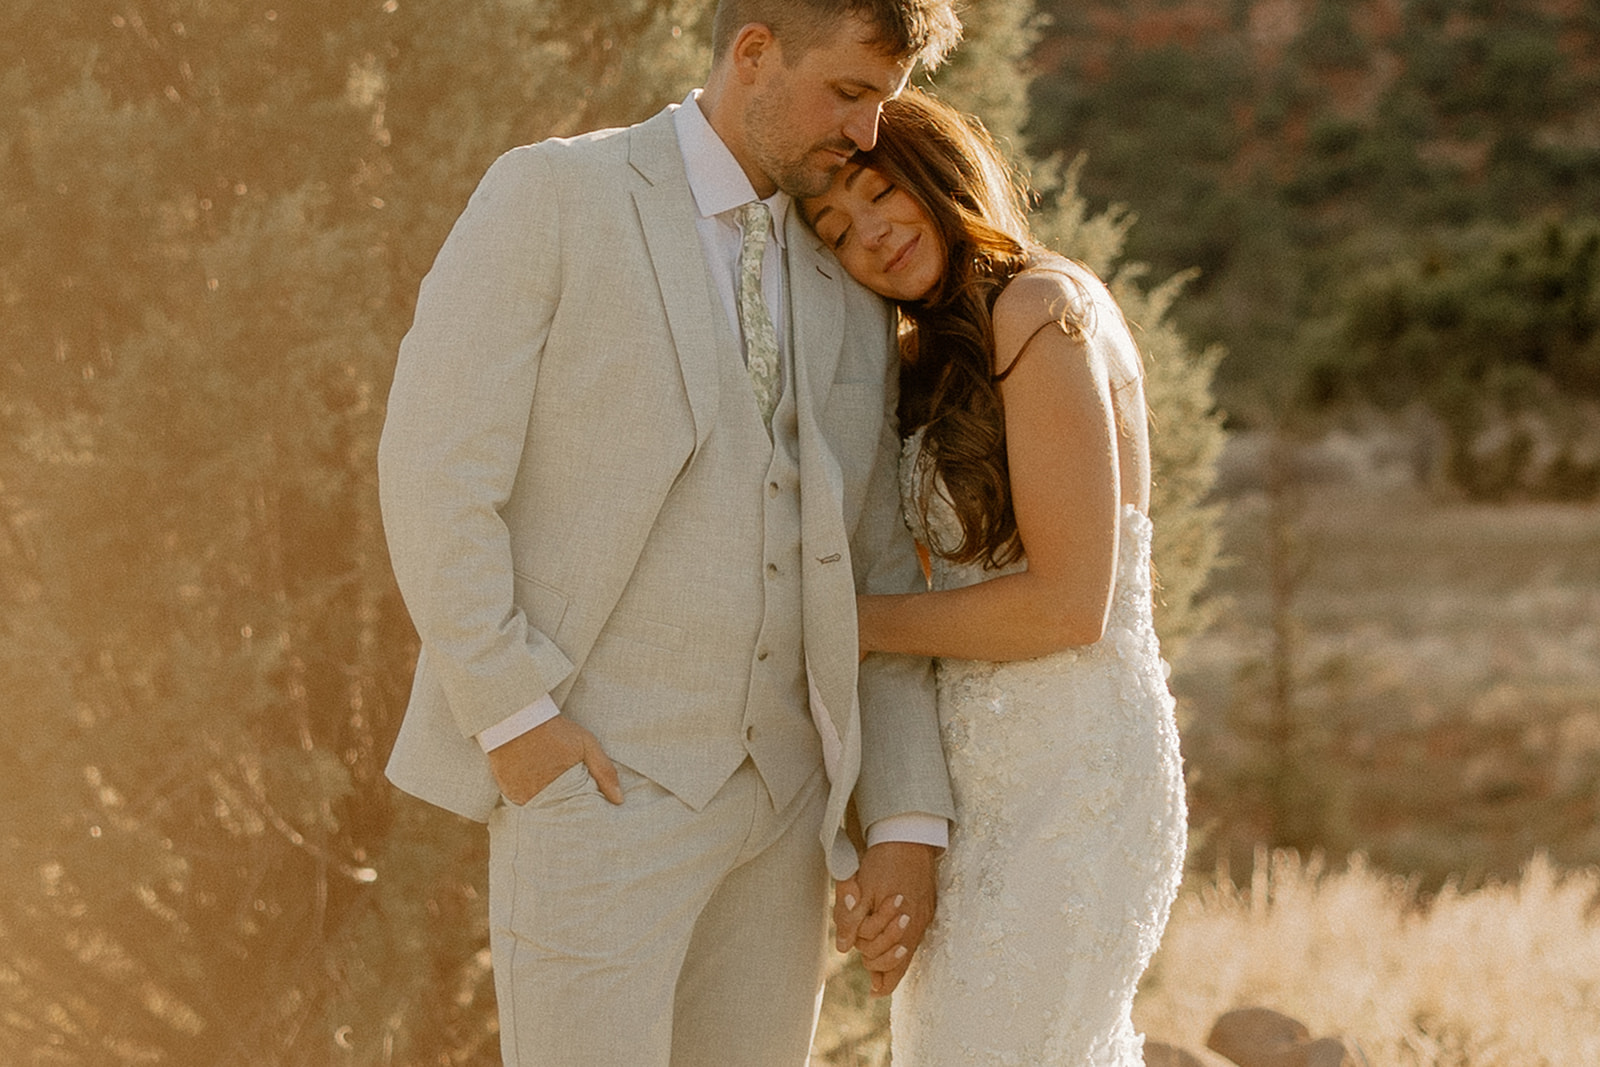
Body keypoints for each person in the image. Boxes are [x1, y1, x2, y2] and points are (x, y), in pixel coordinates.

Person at [376, 4, 963, 1064]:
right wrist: (514, 717)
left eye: (884, 103)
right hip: (595, 785)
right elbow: (435, 468)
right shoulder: (554, 195)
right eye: (848, 93)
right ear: (752, 53)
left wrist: (906, 816)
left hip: (785, 811)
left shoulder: (842, 265)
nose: (868, 135)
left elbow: (872, 559)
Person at [803, 89, 1188, 1063]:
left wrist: (838, 620)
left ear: (938, 168)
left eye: (877, 192)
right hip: (981, 789)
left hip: (1076, 776)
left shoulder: (1038, 306)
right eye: (836, 229)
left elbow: (1068, 603)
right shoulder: (933, 355)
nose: (870, 236)